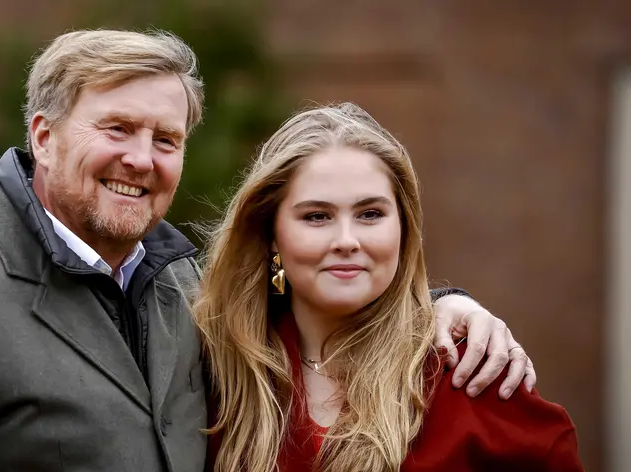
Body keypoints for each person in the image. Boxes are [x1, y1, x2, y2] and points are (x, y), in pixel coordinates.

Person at [0, 30, 536, 472]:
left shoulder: (186, 294)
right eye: (117, 128)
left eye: (165, 139)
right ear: (44, 136)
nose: (141, 159)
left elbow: (329, 279)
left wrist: (446, 306)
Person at [196, 103, 583, 472]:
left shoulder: (468, 370)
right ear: (271, 236)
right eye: (317, 216)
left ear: (404, 228)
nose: (347, 240)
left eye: (370, 214)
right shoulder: (217, 372)